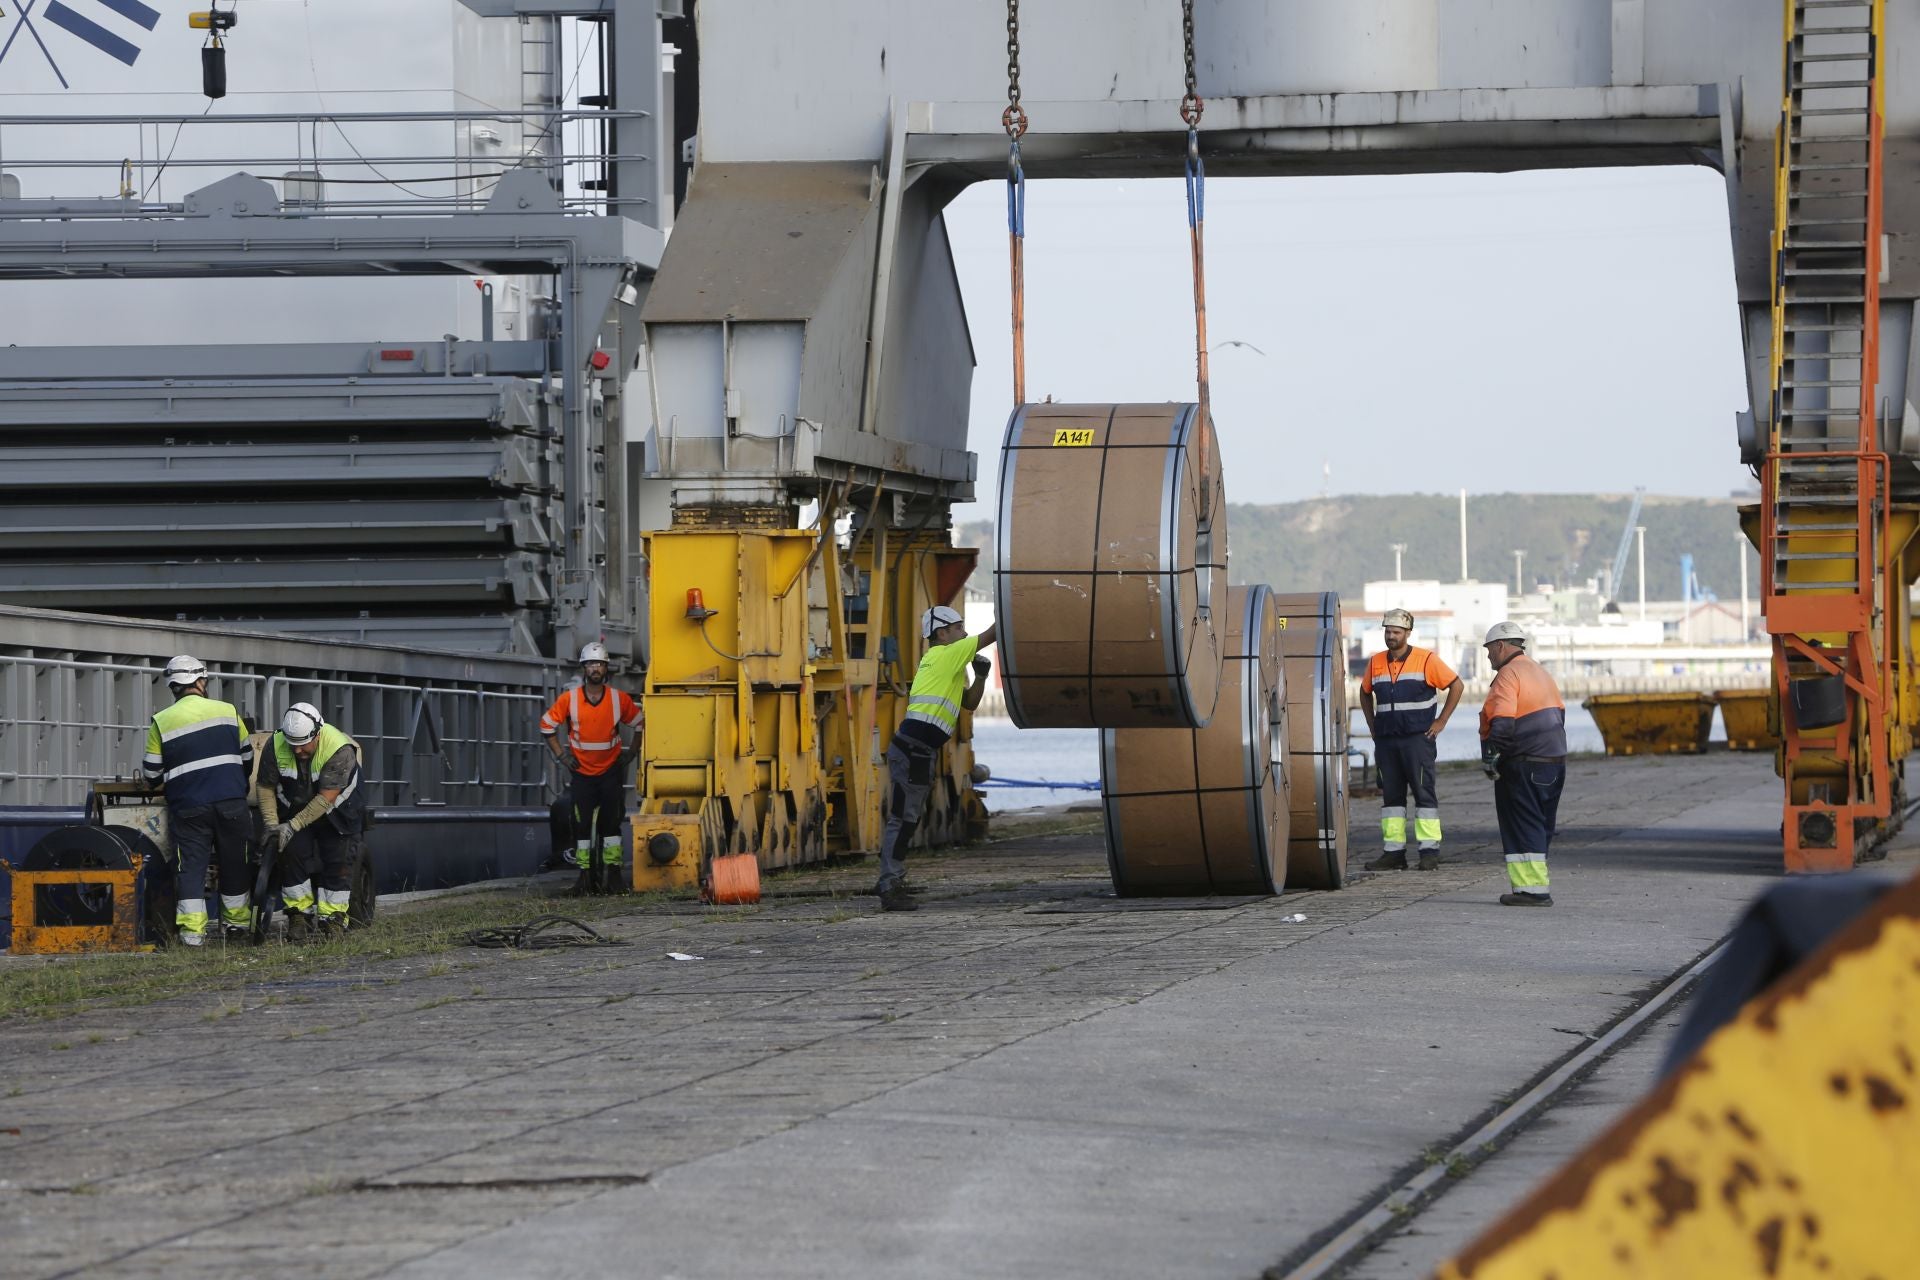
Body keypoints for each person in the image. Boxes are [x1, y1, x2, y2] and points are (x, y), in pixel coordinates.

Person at [873, 605, 997, 912]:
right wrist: (1013, 609)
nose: (964, 633)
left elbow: (968, 703)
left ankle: (893, 878)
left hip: (917, 750)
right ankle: (889, 884)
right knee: (902, 818)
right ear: (942, 633)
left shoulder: (945, 663)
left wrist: (980, 677)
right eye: (958, 627)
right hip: (913, 749)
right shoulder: (945, 654)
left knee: (908, 818)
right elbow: (990, 636)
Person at [141, 655, 254, 948]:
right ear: (201, 681)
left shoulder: (162, 721)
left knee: (190, 867)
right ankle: (236, 928)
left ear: (173, 687)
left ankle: (192, 936)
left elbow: (151, 774)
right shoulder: (228, 711)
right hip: (231, 802)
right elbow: (247, 758)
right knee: (235, 863)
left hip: (189, 807)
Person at [1359, 608, 1463, 871]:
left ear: (1407, 633)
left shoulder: (1426, 659)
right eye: (1387, 631)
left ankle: (1429, 851)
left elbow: (1456, 685)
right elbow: (1364, 693)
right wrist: (1372, 725)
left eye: (1396, 632)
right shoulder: (1376, 662)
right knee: (1391, 799)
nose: (1390, 636)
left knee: (1423, 794)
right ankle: (1394, 853)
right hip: (1386, 741)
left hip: (1418, 740)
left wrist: (1441, 721)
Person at [257, 702, 366, 939]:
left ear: (317, 733)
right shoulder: (275, 745)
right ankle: (299, 916)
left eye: (302, 745)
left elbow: (326, 798)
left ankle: (334, 919)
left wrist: (292, 826)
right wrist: (273, 826)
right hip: (296, 807)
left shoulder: (339, 749)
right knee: (291, 855)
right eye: (292, 745)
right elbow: (265, 787)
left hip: (339, 811)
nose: (297, 751)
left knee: (338, 862)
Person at [540, 641, 642, 893]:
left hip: (610, 772)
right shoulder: (569, 700)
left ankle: (614, 877)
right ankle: (584, 878)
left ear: (606, 668)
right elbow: (546, 726)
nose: (594, 668)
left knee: (611, 826)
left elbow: (640, 724)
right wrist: (562, 756)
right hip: (582, 773)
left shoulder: (619, 700)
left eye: (599, 664)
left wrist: (631, 754)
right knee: (582, 827)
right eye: (590, 664)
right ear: (584, 668)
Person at [1479, 621, 1567, 907]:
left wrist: (1493, 757)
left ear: (1500, 646)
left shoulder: (1508, 674)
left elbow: (1503, 723)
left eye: (1489, 650)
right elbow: (1559, 717)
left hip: (1523, 763)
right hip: (1553, 762)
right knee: (1541, 824)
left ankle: (1534, 891)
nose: (1489, 656)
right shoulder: (1540, 672)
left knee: (1522, 823)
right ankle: (1531, 884)